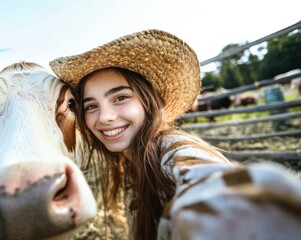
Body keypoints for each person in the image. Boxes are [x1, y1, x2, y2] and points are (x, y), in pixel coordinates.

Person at [50, 30, 301, 240]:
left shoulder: (175, 151)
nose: (104, 117)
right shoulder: (131, 160)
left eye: (121, 97)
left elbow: (218, 189)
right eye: (91, 106)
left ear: (151, 102)